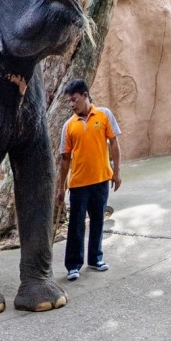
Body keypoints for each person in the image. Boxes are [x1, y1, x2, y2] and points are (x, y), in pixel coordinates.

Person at [56, 78, 122, 281]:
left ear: (85, 96)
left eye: (74, 100)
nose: (72, 104)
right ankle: (73, 265)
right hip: (77, 184)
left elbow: (114, 144)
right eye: (69, 101)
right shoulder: (69, 126)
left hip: (101, 179)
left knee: (97, 221)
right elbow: (65, 159)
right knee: (76, 225)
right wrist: (61, 188)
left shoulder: (104, 115)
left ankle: (95, 258)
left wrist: (117, 172)